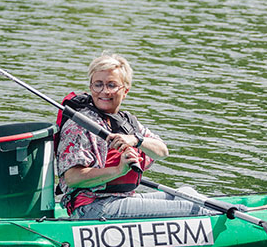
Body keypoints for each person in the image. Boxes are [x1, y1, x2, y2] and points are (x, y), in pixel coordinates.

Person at [57, 53, 214, 221]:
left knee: (187, 193)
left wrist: (136, 140)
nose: (104, 91)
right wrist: (118, 170)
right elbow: (72, 178)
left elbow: (162, 151)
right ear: (91, 87)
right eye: (98, 85)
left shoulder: (127, 122)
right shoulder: (80, 125)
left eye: (112, 85)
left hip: (121, 199)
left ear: (125, 91)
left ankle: (237, 212)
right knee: (190, 207)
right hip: (92, 207)